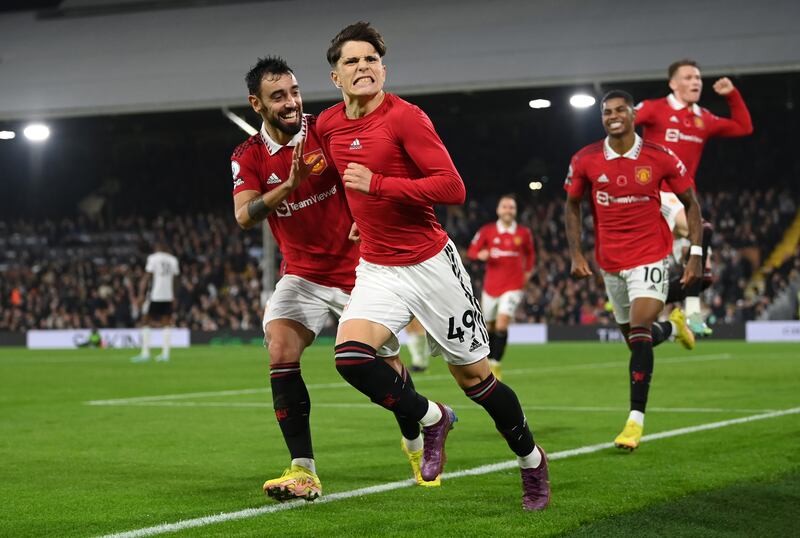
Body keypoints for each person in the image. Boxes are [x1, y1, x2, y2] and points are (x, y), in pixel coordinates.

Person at [317, 21, 549, 510]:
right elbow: (344, 181)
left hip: (430, 266)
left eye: (371, 59)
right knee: (351, 358)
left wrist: (378, 186)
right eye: (352, 61)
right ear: (335, 77)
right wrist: (361, 216)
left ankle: (531, 461)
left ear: (383, 67)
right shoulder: (328, 124)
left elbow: (452, 187)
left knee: (478, 382)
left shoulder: (406, 118)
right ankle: (430, 418)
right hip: (378, 267)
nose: (364, 67)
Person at [231, 56, 437, 503]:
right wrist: (287, 186)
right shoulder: (247, 156)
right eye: (278, 96)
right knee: (280, 347)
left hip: (359, 271)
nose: (290, 102)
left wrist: (368, 215)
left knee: (388, 370)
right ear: (256, 104)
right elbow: (245, 214)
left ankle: (417, 442)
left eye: (293, 92)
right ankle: (303, 471)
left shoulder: (325, 129)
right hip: (302, 274)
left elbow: (370, 166)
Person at [565, 90, 701, 452]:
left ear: (633, 115)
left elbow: (692, 203)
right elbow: (572, 204)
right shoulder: (585, 159)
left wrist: (696, 255)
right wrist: (576, 253)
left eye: (620, 109)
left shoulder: (659, 156)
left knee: (639, 332)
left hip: (651, 257)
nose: (613, 116)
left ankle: (634, 421)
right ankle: (673, 326)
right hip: (611, 263)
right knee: (635, 340)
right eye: (607, 111)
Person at [636, 59, 753, 335]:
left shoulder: (704, 118)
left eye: (698, 78)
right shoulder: (655, 109)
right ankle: (683, 313)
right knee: (699, 232)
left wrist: (732, 95)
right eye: (688, 77)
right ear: (673, 84)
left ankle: (688, 318)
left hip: (684, 198)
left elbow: (743, 127)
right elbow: (624, 120)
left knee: (703, 273)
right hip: (656, 197)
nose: (696, 82)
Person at [467, 194, 534, 380]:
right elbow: (472, 251)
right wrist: (480, 254)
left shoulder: (523, 233)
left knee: (502, 323)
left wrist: (527, 272)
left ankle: (495, 364)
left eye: (511, 207)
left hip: (514, 285)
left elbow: (531, 254)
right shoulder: (487, 231)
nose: (508, 210)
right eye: (504, 207)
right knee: (489, 325)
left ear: (515, 211)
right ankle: (488, 361)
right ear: (498, 210)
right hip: (491, 286)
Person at [131, 243, 179, 362]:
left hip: (154, 295)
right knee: (166, 323)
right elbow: (175, 279)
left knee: (145, 321)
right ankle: (165, 354)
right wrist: (174, 295)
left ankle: (145, 353)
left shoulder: (153, 258)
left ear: (157, 248)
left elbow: (147, 277)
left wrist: (141, 294)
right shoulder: (173, 260)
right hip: (167, 295)